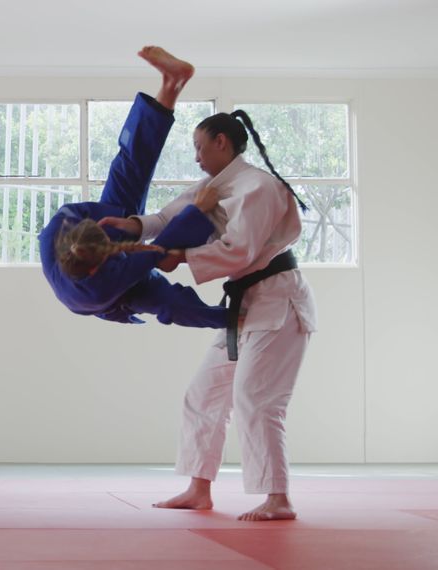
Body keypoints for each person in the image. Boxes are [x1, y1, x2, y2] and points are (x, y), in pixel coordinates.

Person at [100, 108, 318, 521]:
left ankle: (278, 497)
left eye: (200, 147)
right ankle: (199, 489)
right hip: (243, 305)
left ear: (222, 142)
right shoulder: (213, 187)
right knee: (203, 395)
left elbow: (241, 250)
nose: (197, 157)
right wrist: (131, 227)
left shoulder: (257, 187)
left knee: (257, 399)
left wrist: (180, 256)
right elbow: (168, 217)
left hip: (277, 301)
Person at [38, 46, 227, 329]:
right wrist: (198, 210)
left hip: (100, 230)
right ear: (97, 266)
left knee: (128, 169)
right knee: (171, 303)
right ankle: (235, 319)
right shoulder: (106, 282)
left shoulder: (58, 229)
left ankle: (171, 82)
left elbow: (107, 219)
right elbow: (160, 247)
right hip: (116, 297)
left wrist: (127, 220)